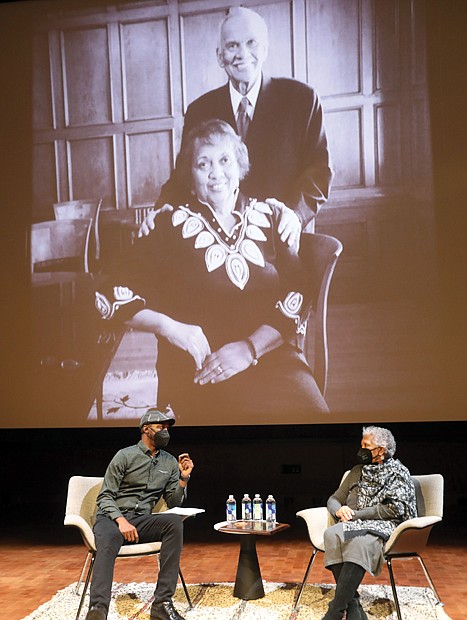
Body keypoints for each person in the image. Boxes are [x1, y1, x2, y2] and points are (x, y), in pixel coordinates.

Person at [95, 119, 329, 423]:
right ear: (191, 177)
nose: (215, 173)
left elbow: (298, 291)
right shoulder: (168, 225)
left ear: (240, 168)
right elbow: (108, 295)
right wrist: (169, 327)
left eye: (224, 160)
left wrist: (249, 349)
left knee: (315, 428)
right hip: (201, 366)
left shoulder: (270, 217)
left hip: (270, 357)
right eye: (203, 164)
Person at [140, 6, 333, 244]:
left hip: (283, 238)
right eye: (232, 46)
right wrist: (161, 210)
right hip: (219, 244)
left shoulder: (302, 99)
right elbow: (184, 176)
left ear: (265, 49)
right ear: (220, 56)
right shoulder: (199, 110)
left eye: (251, 42)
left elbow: (319, 171)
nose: (242, 54)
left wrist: (295, 214)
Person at [85, 407, 194, 620]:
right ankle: (97, 609)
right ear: (146, 429)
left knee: (174, 523)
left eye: (167, 428)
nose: (165, 431)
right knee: (107, 541)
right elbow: (105, 496)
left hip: (142, 520)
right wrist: (121, 521)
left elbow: (173, 502)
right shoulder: (125, 456)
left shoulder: (170, 461)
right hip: (112, 519)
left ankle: (162, 603)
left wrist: (183, 479)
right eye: (160, 427)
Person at [321, 426, 417, 620]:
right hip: (354, 523)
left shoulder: (398, 472)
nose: (361, 449)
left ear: (381, 450)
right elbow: (334, 498)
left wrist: (357, 514)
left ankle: (335, 611)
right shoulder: (356, 471)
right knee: (332, 534)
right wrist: (338, 509)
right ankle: (354, 606)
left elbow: (395, 509)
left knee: (359, 543)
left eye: (366, 445)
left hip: (382, 524)